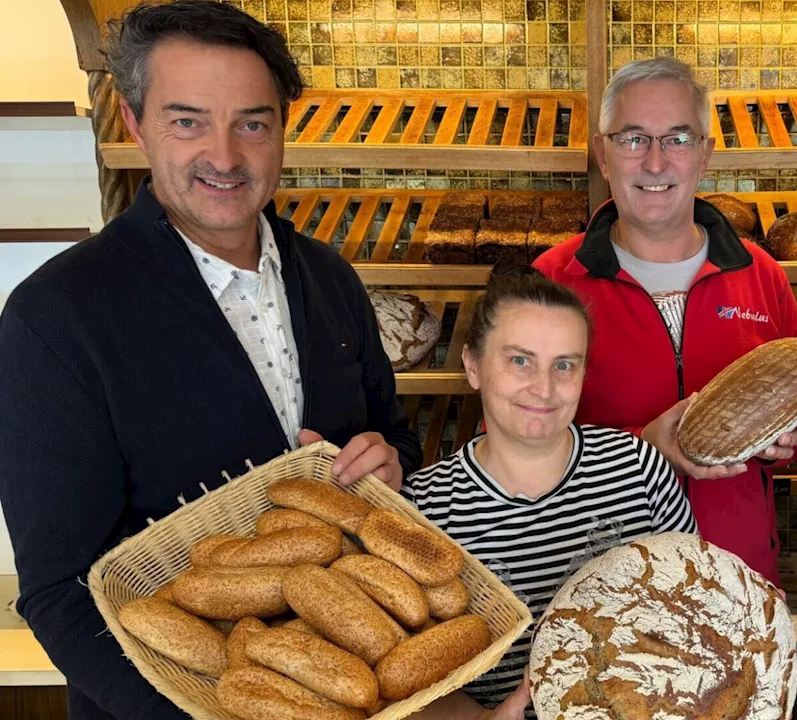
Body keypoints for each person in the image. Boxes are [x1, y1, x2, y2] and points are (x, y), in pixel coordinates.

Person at [0, 3, 421, 718]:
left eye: (251, 123)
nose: (224, 157)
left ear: (282, 130)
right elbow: (60, 590)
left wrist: (390, 464)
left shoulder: (328, 277)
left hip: (336, 687)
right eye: (188, 120)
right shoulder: (57, 318)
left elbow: (395, 433)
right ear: (134, 124)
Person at [533, 57, 797, 586]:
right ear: (602, 153)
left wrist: (789, 438)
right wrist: (643, 449)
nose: (656, 163)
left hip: (741, 581)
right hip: (600, 588)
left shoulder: (761, 276)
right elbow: (509, 447)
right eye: (633, 138)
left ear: (705, 153)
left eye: (679, 139)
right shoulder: (551, 282)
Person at [401, 267, 697, 719]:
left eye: (564, 365)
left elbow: (695, 615)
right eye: (520, 360)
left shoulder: (639, 469)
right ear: (473, 365)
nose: (543, 388)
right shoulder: (424, 509)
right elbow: (405, 677)